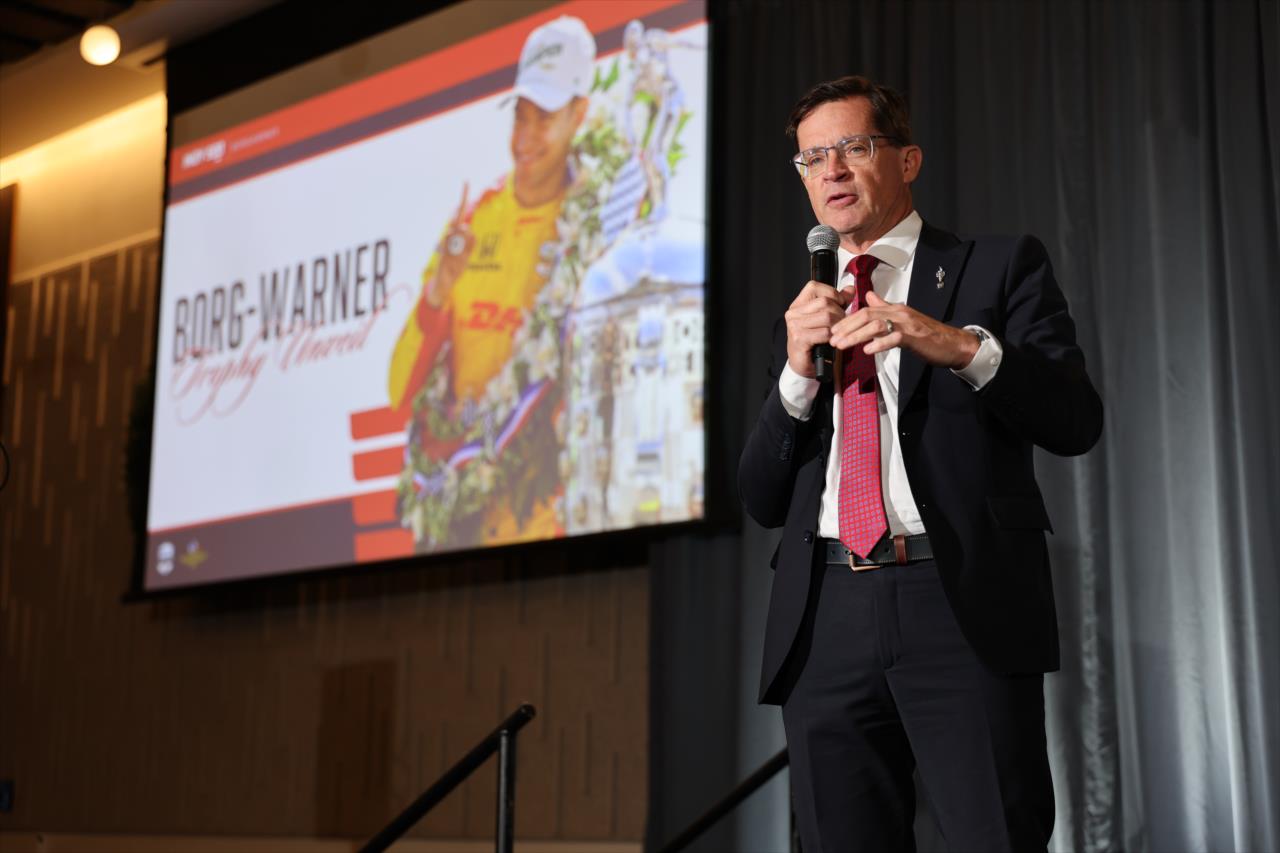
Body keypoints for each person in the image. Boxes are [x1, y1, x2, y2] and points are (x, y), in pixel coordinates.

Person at [738, 75, 1103, 851]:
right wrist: (797, 375)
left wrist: (961, 345)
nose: (831, 170)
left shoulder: (997, 269)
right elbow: (763, 497)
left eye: (852, 147)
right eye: (811, 158)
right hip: (827, 613)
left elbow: (1075, 419)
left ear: (907, 160)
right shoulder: (801, 319)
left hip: (957, 600)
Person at [387, 16, 595, 548]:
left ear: (579, 114)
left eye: (543, 118)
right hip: (453, 514)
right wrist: (437, 295)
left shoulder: (596, 229)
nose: (525, 139)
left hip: (545, 524)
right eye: (519, 117)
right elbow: (399, 390)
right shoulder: (473, 224)